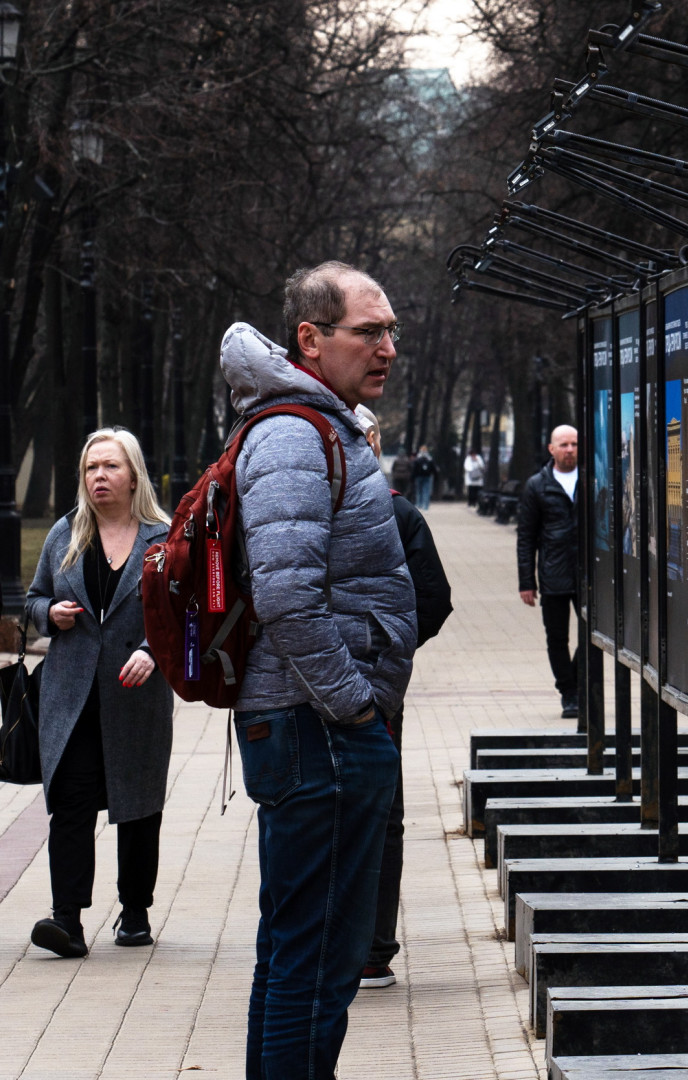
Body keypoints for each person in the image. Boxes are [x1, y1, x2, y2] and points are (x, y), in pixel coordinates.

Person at [222, 260, 417, 1080]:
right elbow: (288, 597)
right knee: (314, 964)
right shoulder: (295, 434)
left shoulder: (315, 426)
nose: (387, 348)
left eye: (391, 331)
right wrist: (356, 709)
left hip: (314, 729)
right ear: (311, 338)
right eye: (369, 332)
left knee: (299, 954)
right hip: (320, 732)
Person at [24, 428, 173, 958]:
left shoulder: (164, 537)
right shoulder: (65, 535)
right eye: (91, 469)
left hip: (135, 693)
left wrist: (155, 651)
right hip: (71, 693)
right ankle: (67, 920)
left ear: (133, 475)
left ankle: (135, 912)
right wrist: (50, 614)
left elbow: (188, 610)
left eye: (110, 467)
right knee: (70, 802)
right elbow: (34, 599)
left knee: (137, 804)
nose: (99, 477)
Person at [355, 405, 453, 990]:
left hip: (374, 695)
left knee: (378, 816)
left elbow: (433, 598)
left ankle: (371, 947)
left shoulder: (399, 514)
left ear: (373, 442)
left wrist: (388, 649)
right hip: (317, 692)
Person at [517, 424, 581, 719]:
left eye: (574, 444)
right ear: (552, 449)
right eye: (564, 444)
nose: (570, 449)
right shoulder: (537, 485)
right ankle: (568, 693)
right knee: (557, 638)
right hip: (554, 574)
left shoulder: (593, 478)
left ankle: (577, 683)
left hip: (588, 575)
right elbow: (526, 536)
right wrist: (526, 582)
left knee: (593, 636)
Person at [411, 444, 435, 509]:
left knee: (419, 491)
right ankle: (426, 506)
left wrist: (412, 477)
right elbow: (433, 468)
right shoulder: (429, 458)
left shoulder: (418, 458)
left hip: (418, 476)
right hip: (427, 476)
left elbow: (414, 468)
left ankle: (419, 504)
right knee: (426, 491)